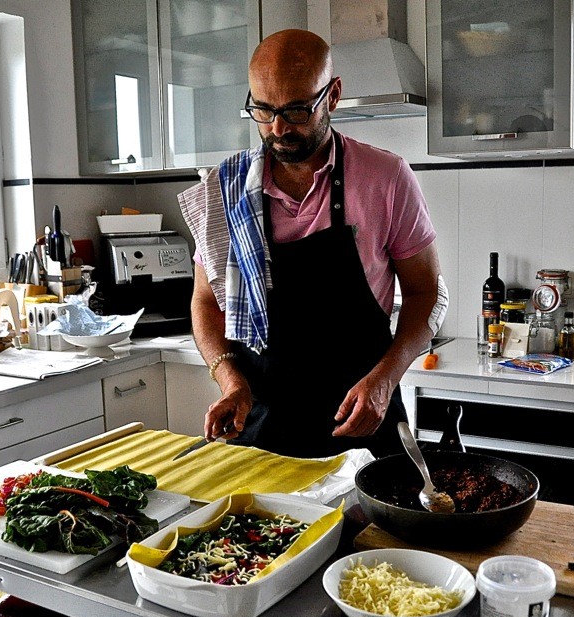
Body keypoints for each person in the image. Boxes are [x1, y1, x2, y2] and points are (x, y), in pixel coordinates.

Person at [178, 29, 446, 459]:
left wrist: (385, 379)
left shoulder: (386, 177)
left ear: (333, 95)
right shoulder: (225, 190)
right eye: (263, 110)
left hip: (362, 423)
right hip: (262, 430)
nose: (278, 128)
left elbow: (425, 292)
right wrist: (230, 380)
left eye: (296, 110)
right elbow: (205, 302)